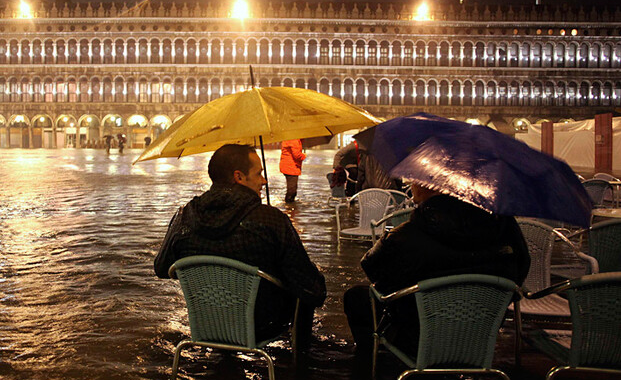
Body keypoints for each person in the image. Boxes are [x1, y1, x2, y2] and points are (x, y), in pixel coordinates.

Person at [155, 144, 327, 348]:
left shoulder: (184, 216)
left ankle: (223, 362)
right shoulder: (270, 220)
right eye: (259, 173)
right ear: (239, 177)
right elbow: (313, 290)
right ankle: (301, 367)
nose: (264, 180)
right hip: (263, 326)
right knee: (305, 286)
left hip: (206, 324)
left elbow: (161, 268)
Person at [343, 183, 530, 357]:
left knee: (356, 298)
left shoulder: (407, 235)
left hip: (417, 338)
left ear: (429, 187)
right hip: (479, 337)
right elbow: (520, 272)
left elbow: (375, 272)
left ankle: (373, 365)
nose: (411, 183)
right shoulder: (504, 227)